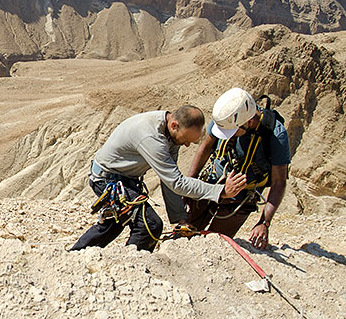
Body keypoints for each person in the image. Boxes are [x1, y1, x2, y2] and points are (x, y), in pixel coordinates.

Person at [70, 105, 247, 252]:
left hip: (122, 179)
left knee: (115, 222)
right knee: (149, 225)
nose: (186, 145)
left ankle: (77, 255)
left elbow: (169, 179)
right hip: (108, 180)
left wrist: (180, 218)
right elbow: (176, 182)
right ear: (174, 125)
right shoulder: (152, 137)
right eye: (185, 140)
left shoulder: (171, 133)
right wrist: (220, 191)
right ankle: (133, 267)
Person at [186, 88, 290, 250]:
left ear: (247, 122)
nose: (229, 136)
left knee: (213, 244)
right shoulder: (226, 116)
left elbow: (279, 183)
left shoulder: (275, 134)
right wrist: (190, 184)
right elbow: (205, 148)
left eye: (232, 132)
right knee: (186, 233)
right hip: (210, 186)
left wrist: (264, 222)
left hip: (239, 201)